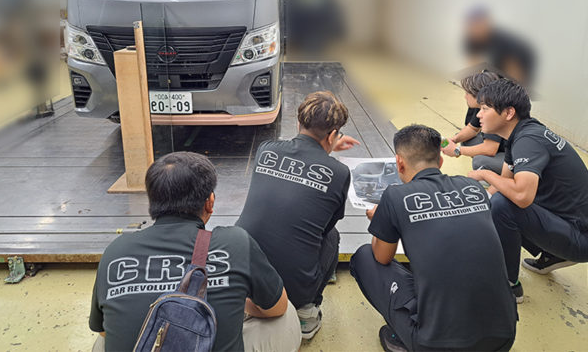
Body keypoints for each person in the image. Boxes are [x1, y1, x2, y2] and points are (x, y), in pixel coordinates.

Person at [89, 152, 301, 352]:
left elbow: (103, 330)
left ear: (152, 202)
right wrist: (238, 305)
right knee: (287, 316)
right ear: (210, 202)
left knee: (101, 343)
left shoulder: (116, 251)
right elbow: (277, 308)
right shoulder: (235, 243)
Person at [350, 124, 517, 352]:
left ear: (399, 163)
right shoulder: (473, 188)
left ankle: (403, 337)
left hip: (435, 345)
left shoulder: (395, 196)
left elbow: (382, 257)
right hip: (503, 338)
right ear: (440, 160)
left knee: (364, 257)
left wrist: (380, 220)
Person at [236, 91, 359, 339]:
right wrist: (327, 151)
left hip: (242, 276)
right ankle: (306, 312)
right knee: (332, 236)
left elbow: (301, 156)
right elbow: (326, 227)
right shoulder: (339, 172)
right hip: (291, 290)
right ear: (333, 135)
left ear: (298, 122)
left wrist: (325, 147)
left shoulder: (266, 149)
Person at [468, 79, 588, 302]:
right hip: (568, 223)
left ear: (509, 113)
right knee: (495, 201)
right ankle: (552, 254)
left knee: (503, 206)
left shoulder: (528, 140)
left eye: (484, 109)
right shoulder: (520, 134)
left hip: (580, 236)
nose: (479, 115)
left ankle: (508, 286)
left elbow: (522, 197)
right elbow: (503, 183)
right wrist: (473, 210)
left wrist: (485, 174)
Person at [441, 71, 506, 174]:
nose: (465, 97)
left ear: (478, 95)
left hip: (520, 159)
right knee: (466, 140)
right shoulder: (487, 104)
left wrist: (457, 150)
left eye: (467, 93)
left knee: (479, 161)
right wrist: (453, 140)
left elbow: (490, 149)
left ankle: (495, 176)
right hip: (504, 148)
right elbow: (473, 128)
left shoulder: (494, 113)